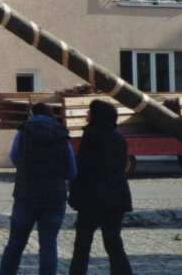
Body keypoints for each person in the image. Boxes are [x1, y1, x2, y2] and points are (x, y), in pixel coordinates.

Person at [0, 102, 76, 275]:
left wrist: (26, 169)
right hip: (54, 196)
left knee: (15, 243)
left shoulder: (24, 131)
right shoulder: (62, 135)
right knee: (49, 245)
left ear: (32, 114)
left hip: (26, 193)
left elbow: (14, 156)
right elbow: (71, 169)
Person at [68, 100, 132, 275]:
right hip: (116, 196)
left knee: (82, 245)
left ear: (96, 115)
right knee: (113, 243)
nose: (86, 114)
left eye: (89, 111)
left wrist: (74, 196)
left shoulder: (92, 135)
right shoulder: (118, 136)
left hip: (92, 197)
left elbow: (83, 168)